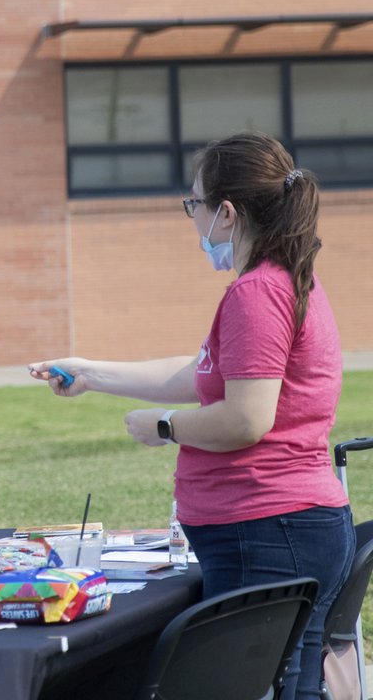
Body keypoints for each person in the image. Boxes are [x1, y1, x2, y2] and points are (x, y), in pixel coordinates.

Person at [29, 132, 354, 699]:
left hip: (269, 528)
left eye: (194, 204)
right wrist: (92, 374)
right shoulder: (282, 283)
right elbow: (200, 374)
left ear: (225, 213)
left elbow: (246, 417)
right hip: (285, 527)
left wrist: (164, 426)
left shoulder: (257, 293)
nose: (192, 216)